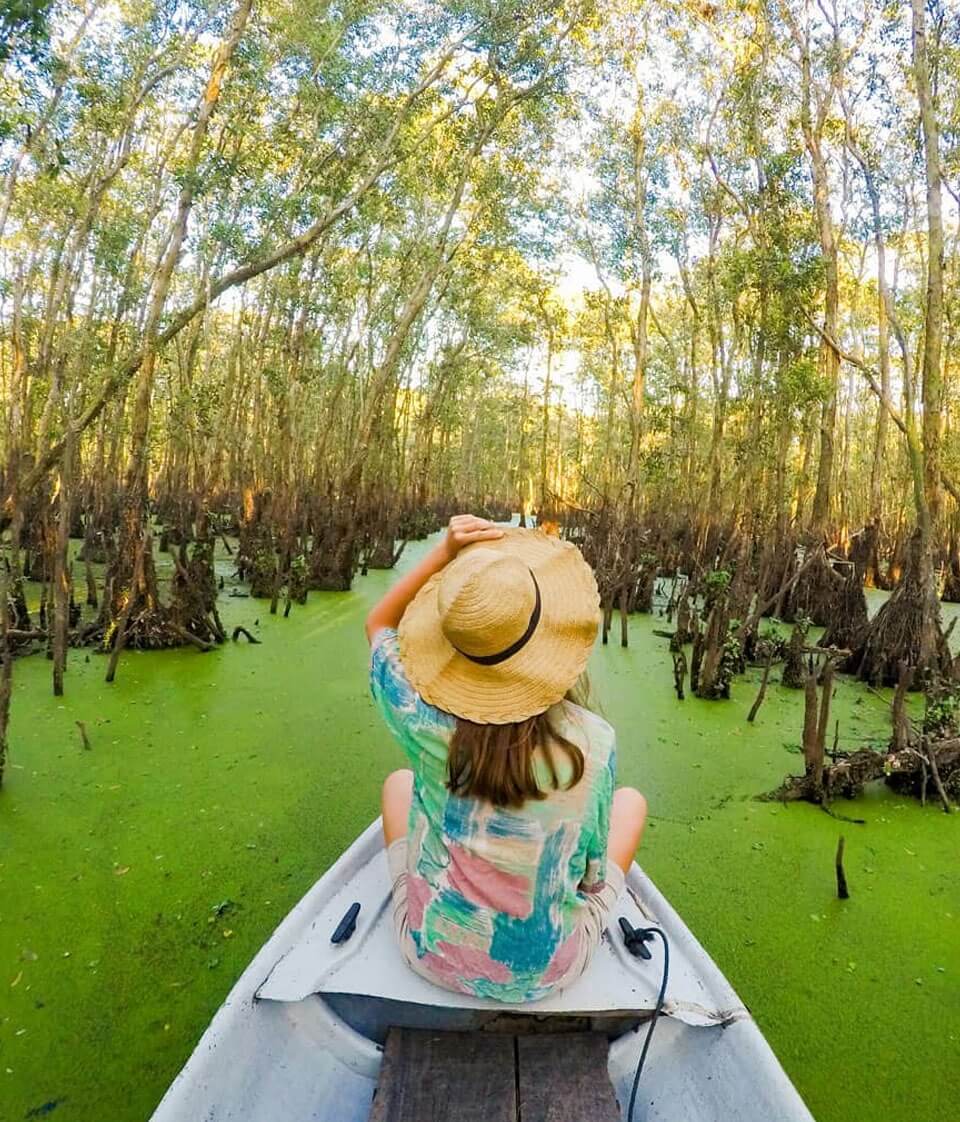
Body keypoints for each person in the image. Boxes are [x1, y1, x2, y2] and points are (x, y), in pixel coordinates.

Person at [366, 514, 647, 1003]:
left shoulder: (418, 714)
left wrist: (443, 553)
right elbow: (591, 878)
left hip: (431, 956)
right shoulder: (595, 742)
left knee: (398, 784)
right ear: (551, 638)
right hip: (549, 975)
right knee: (632, 803)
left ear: (452, 644)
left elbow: (378, 624)